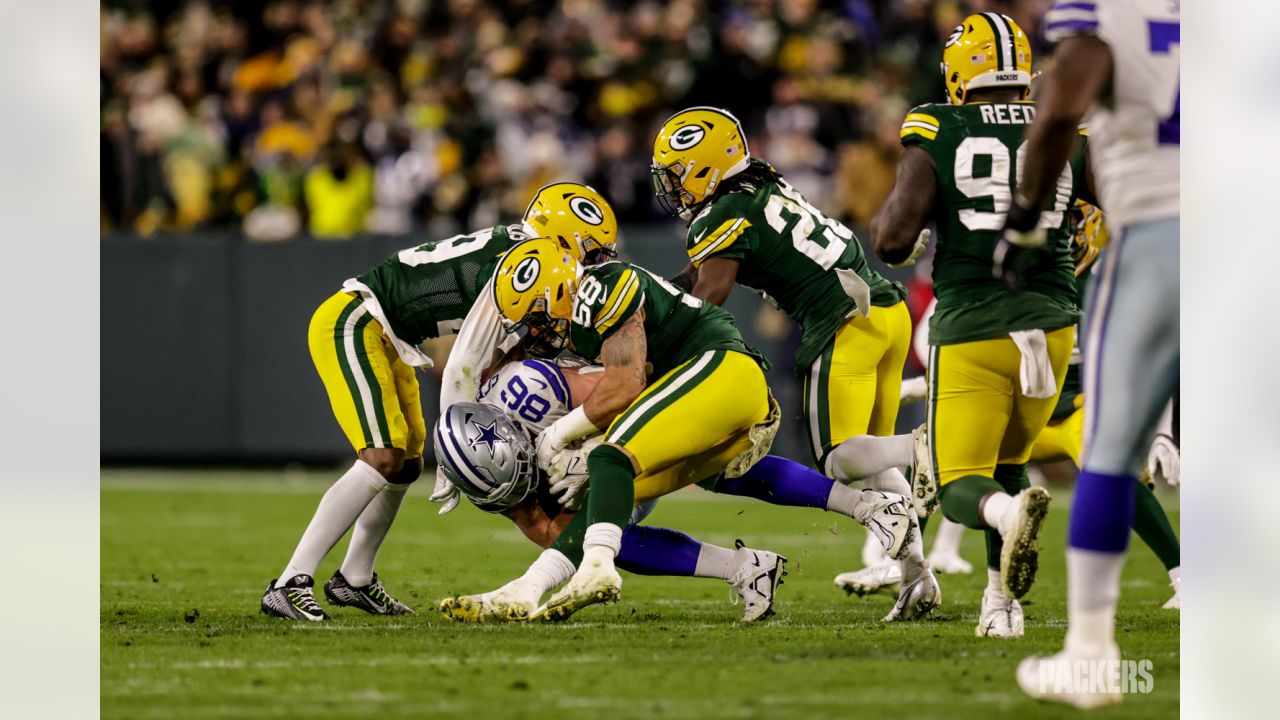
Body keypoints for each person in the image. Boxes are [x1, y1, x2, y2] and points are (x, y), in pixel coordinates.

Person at [482, 238, 924, 622]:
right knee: (617, 495)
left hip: (720, 367)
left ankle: (595, 568)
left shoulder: (600, 286)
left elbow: (625, 384)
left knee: (609, 458)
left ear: (558, 291)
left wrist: (558, 437)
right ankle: (783, 552)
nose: (539, 333)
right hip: (711, 384)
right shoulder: (583, 321)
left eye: (537, 319)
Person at [260, 182, 618, 621]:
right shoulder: (522, 262)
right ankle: (290, 581)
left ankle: (354, 578)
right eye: (593, 250)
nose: (596, 262)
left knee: (406, 463)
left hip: (392, 337)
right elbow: (462, 366)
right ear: (564, 237)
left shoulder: (519, 252)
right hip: (354, 321)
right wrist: (452, 455)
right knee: (381, 458)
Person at [650, 106, 937, 608]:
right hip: (884, 310)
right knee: (872, 463)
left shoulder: (721, 213)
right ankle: (918, 575)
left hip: (843, 320)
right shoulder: (762, 183)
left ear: (706, 166)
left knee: (840, 458)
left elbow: (710, 291)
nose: (672, 188)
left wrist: (662, 340)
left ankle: (925, 449)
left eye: (677, 174)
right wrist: (652, 292)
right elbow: (701, 278)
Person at [872, 12, 1090, 638]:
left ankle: (1006, 513)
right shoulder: (1064, 127)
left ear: (959, 74)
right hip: (1054, 324)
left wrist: (916, 225)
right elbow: (1112, 208)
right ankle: (1002, 606)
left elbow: (891, 239)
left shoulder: (937, 123)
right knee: (1012, 460)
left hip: (975, 322)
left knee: (964, 481)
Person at [1006, 0, 1180, 706]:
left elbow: (1055, 117)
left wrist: (1022, 222)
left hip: (1161, 230)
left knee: (1106, 450)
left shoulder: (1105, 17)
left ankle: (1090, 655)